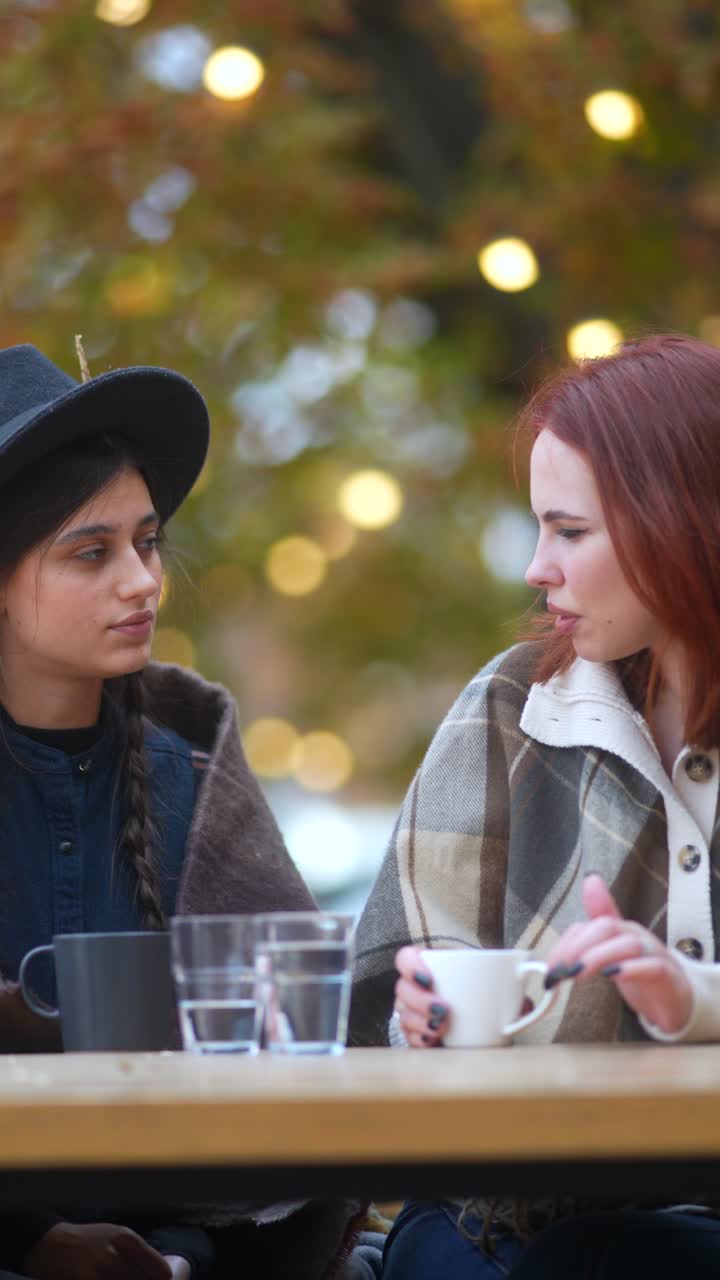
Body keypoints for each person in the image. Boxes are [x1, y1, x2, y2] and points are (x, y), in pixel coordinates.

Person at [350, 332, 720, 1277]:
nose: (535, 568)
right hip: (493, 1216)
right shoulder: (514, 705)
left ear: (682, 520)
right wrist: (419, 1016)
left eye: (570, 530)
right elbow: (398, 978)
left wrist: (689, 999)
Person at [0, 342, 363, 1280]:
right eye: (92, 552)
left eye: (147, 541)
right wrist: (29, 1241)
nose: (143, 581)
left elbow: (301, 1062)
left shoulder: (194, 782)